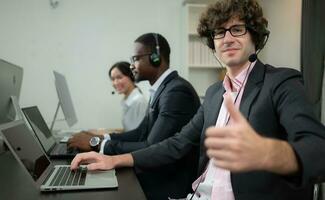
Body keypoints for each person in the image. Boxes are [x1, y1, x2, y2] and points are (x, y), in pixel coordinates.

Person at [70, 1, 325, 199]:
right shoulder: (215, 93)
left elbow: (318, 149)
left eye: (237, 29)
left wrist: (271, 153)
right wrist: (113, 159)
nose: (227, 38)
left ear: (255, 37)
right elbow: (176, 143)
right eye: (219, 32)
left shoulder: (281, 82)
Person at [68, 33, 201, 200]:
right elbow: (139, 132)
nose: (132, 66)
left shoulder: (176, 91)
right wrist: (101, 138)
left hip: (170, 183)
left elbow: (151, 145)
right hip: (159, 172)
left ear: (156, 58)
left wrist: (98, 144)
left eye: (136, 58)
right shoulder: (162, 89)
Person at [108, 61, 147, 132]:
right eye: (113, 79)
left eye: (119, 77)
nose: (115, 83)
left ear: (131, 76)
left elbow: (139, 134)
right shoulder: (127, 100)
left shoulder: (139, 102)